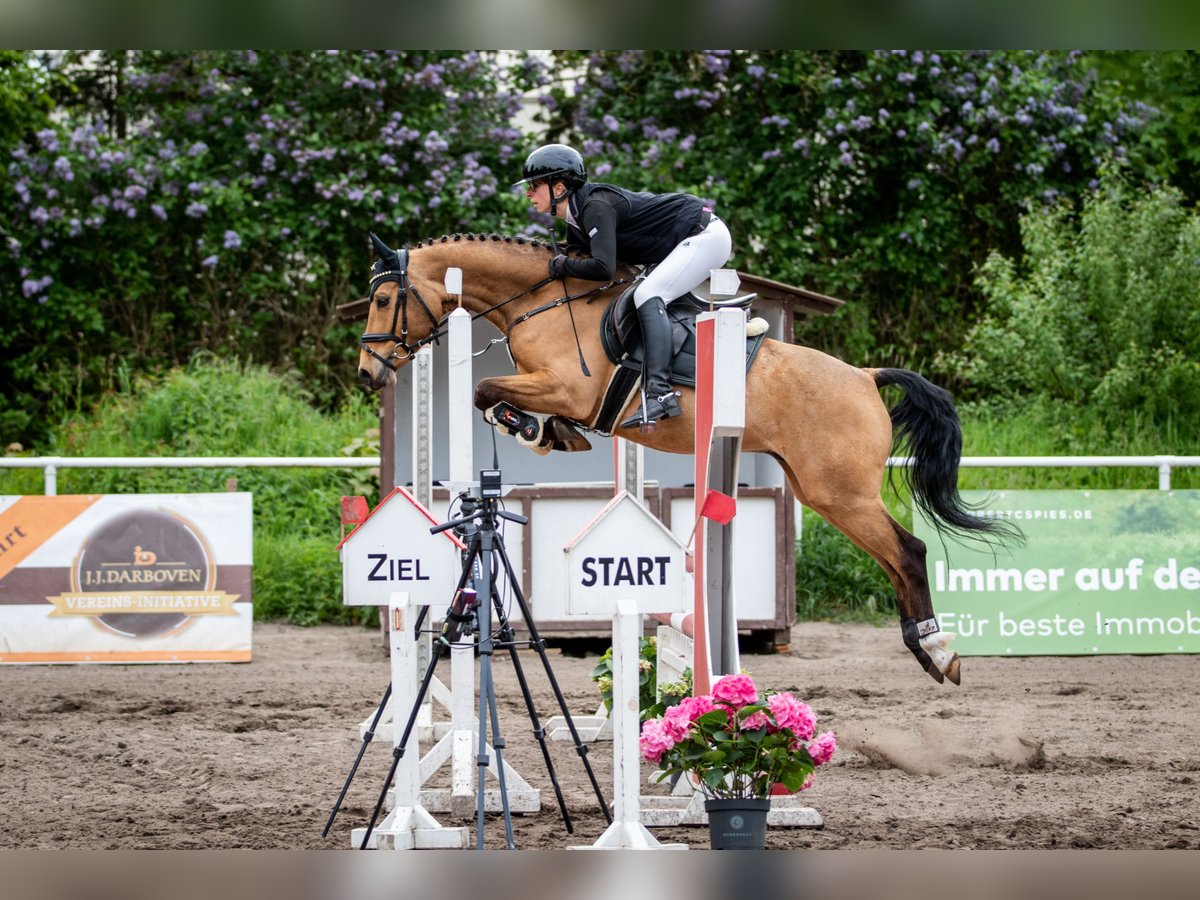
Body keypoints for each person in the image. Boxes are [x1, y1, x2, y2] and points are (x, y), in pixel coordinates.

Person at [515, 143, 733, 430]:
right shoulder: (576, 220)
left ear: (559, 189)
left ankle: (661, 392)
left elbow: (602, 267)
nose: (529, 193)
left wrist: (561, 265)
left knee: (648, 294)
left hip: (704, 235)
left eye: (535, 185)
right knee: (638, 294)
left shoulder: (595, 207)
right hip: (681, 242)